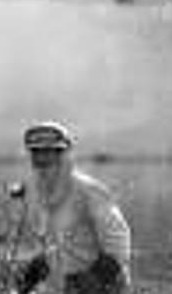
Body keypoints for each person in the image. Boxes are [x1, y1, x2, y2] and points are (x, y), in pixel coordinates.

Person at [15, 121, 131, 294]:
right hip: (61, 284)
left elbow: (119, 242)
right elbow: (57, 244)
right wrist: (35, 270)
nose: (42, 159)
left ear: (65, 154)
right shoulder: (38, 194)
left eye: (50, 152)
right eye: (36, 151)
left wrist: (93, 279)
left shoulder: (90, 191)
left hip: (102, 285)